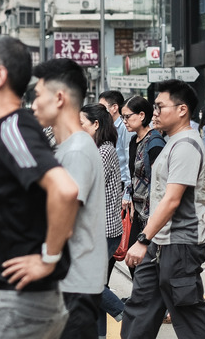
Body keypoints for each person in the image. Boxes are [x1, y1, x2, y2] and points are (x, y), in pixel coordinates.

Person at [0, 35, 80, 338]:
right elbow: (21, 222)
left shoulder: (12, 128)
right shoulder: (7, 131)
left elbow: (65, 191)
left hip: (18, 304)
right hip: (10, 297)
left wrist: (48, 259)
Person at [121, 79, 205, 339]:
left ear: (182, 109)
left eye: (160, 106)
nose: (155, 112)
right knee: (139, 307)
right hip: (161, 242)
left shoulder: (185, 145)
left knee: (187, 313)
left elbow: (172, 200)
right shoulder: (172, 141)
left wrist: (142, 238)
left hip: (180, 244)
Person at [30, 58, 107, 339]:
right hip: (67, 283)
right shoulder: (67, 149)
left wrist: (44, 261)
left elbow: (64, 220)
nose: (34, 104)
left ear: (59, 97)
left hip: (73, 284)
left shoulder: (75, 151)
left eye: (38, 95)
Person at [79, 102, 126, 337]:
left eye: (82, 124)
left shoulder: (104, 151)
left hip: (103, 231)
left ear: (96, 124)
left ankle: (126, 314)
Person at [121, 95, 166, 272]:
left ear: (141, 115)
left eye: (127, 116)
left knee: (146, 264)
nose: (124, 121)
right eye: (123, 117)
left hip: (151, 213)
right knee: (132, 260)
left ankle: (144, 299)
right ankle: (141, 298)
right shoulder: (134, 140)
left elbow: (159, 183)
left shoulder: (155, 143)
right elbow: (133, 176)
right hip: (137, 212)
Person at [100, 90, 132, 202]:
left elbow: (129, 158)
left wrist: (127, 194)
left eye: (103, 107)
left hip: (122, 184)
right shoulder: (109, 126)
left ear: (114, 108)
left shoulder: (125, 126)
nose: (101, 111)